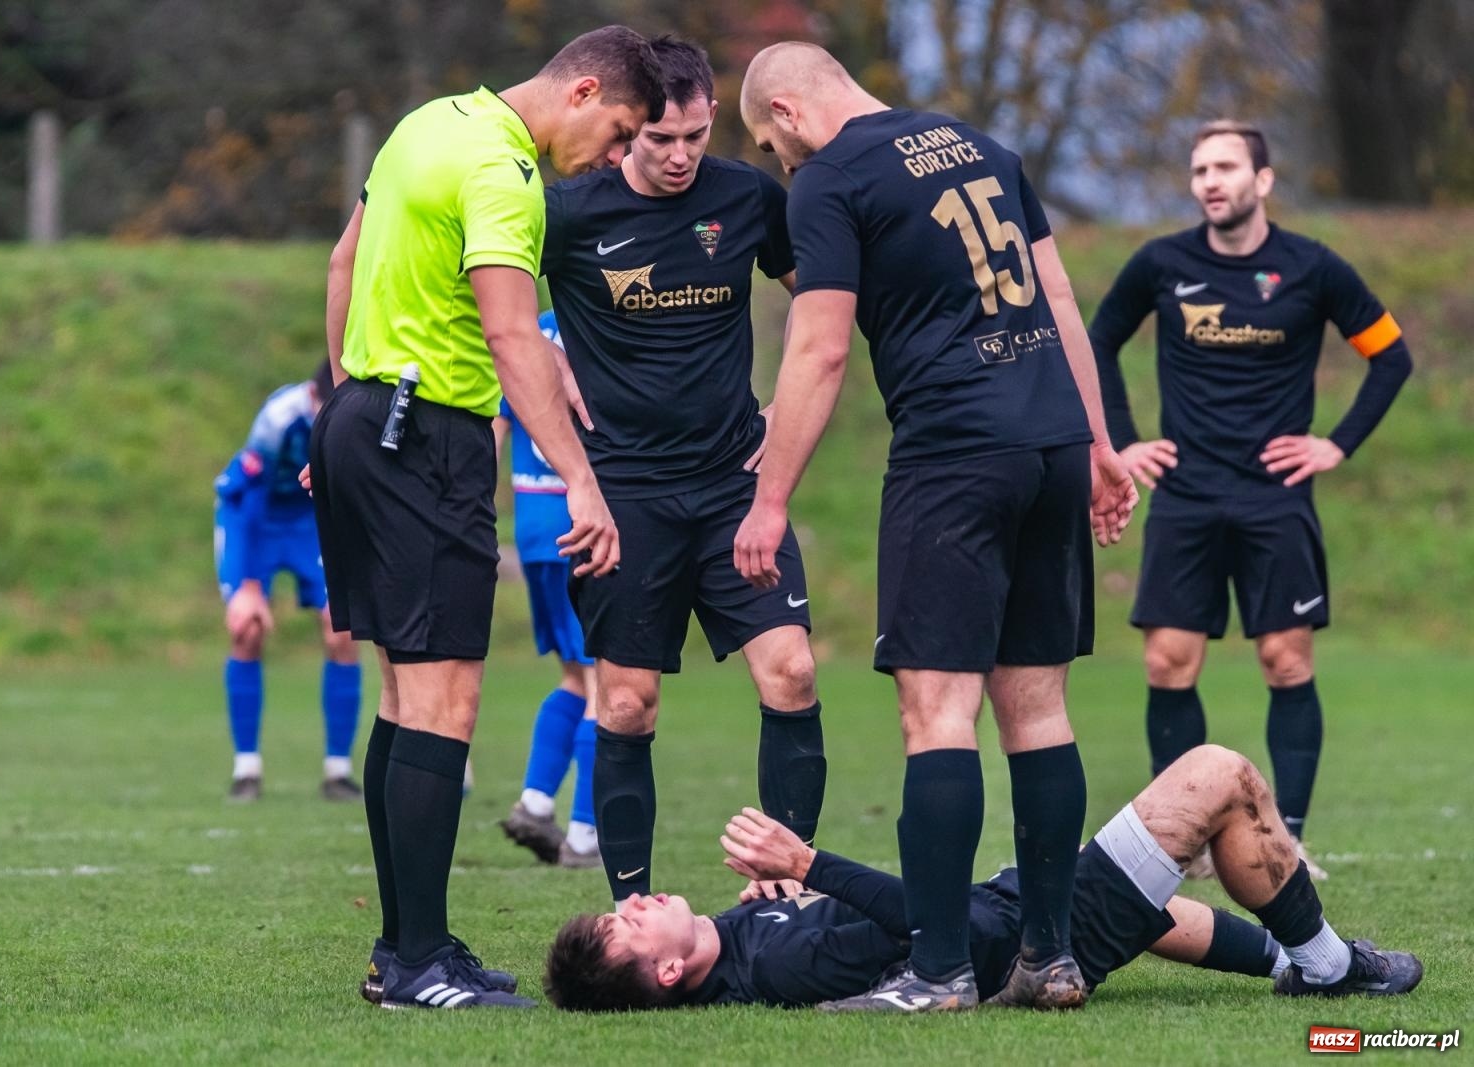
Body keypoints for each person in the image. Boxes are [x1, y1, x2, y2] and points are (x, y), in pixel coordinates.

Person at [730, 43, 1137, 1011]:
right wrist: (1100, 441)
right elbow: (1060, 297)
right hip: (1048, 444)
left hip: (954, 458)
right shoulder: (980, 145)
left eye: (764, 141)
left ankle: (940, 968)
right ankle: (1051, 956)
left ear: (786, 111)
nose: (776, 161)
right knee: (1036, 707)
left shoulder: (828, 179)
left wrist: (770, 497)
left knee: (936, 712)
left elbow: (820, 346)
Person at [309, 26, 666, 1011]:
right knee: (444, 702)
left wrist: (350, 395)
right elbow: (512, 334)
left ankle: (409, 945)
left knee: (401, 694)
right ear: (583, 89)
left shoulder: (427, 125)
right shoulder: (506, 170)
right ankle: (417, 960)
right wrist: (582, 482)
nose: (616, 153)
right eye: (622, 129)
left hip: (369, 418)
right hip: (425, 436)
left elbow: (344, 262)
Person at [540, 38, 826, 909]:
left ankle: (782, 885)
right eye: (658, 137)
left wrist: (789, 409)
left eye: (695, 136)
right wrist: (546, 361)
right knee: (625, 705)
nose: (677, 155)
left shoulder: (747, 196)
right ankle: (632, 906)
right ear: (625, 128)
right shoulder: (565, 213)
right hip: (623, 496)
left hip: (733, 481)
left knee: (794, 673)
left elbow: (827, 300)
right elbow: (481, 304)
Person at [1088, 121, 1413, 882]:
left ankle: (1286, 839)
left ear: (1262, 181)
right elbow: (1096, 341)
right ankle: (1177, 840)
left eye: (1226, 166)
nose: (1209, 180)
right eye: (1200, 168)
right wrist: (1123, 444)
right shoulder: (1162, 262)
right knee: (1169, 661)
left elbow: (1390, 356)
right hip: (1187, 494)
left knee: (1284, 658)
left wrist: (1337, 444)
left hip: (1276, 497)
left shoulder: (1312, 266)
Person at [542, 744, 1424, 1011]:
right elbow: (932, 932)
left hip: (1017, 906)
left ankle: (1292, 960)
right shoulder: (776, 970)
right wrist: (809, 865)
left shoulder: (739, 938)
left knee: (1147, 905)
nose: (636, 900)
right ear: (663, 972)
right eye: (629, 923)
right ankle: (1326, 964)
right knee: (1219, 776)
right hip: (1019, 935)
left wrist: (789, 887)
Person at [213, 361, 361, 802]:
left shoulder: (356, 416)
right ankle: (246, 771)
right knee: (248, 629)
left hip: (308, 523)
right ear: (315, 398)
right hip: (250, 518)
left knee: (342, 628)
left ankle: (338, 771)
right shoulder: (281, 416)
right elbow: (252, 494)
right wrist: (252, 586)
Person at [495, 310, 602, 870]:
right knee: (605, 679)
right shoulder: (604, 321)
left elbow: (496, 421)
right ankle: (585, 835)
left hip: (534, 527)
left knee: (573, 675)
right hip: (584, 520)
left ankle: (536, 802)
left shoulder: (528, 328)